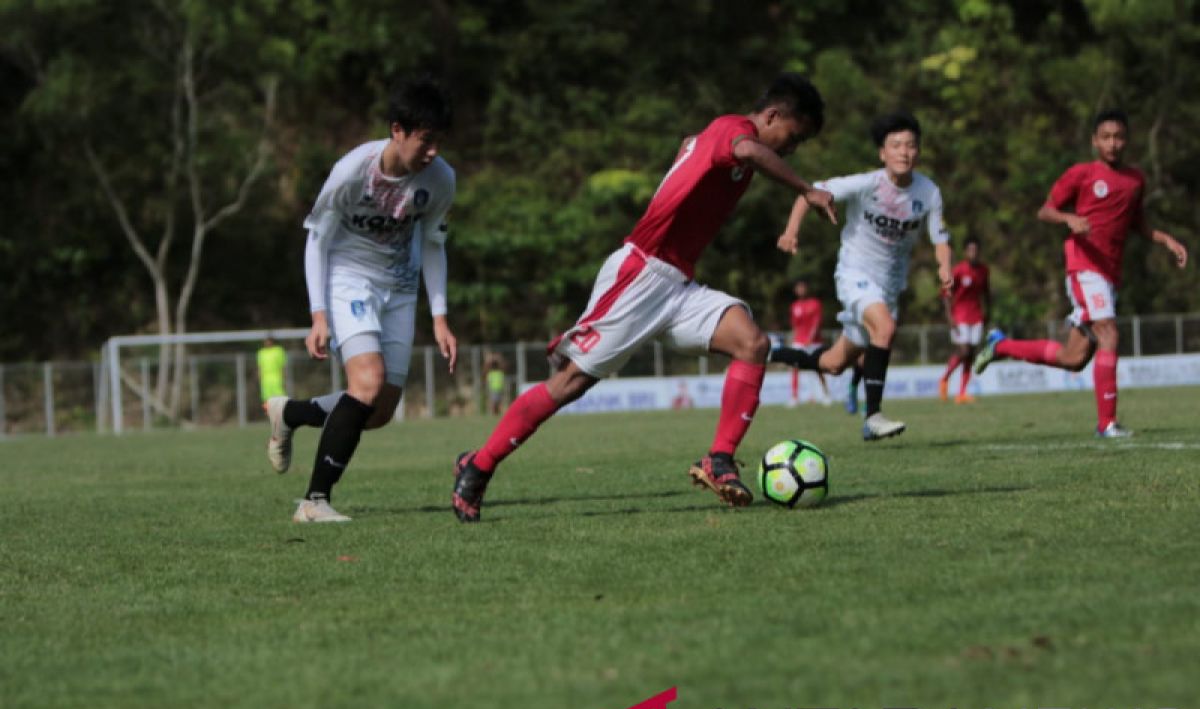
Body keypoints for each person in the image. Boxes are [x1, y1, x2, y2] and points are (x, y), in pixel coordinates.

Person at [451, 73, 837, 522]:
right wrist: (806, 189)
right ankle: (477, 467)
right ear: (772, 116)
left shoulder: (715, 138)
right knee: (571, 384)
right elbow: (746, 149)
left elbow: (691, 148)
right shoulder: (736, 131)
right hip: (640, 274)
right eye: (793, 136)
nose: (791, 148)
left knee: (753, 343)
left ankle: (719, 459)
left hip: (677, 284)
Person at [265, 77, 459, 522]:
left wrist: (441, 317)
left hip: (401, 289)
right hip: (348, 281)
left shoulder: (441, 180)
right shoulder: (353, 170)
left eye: (438, 142)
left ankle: (290, 413)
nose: (432, 152)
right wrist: (318, 314)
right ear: (398, 130)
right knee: (367, 383)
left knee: (379, 410)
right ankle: (314, 502)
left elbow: (433, 244)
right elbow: (317, 239)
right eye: (425, 140)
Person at [974, 109, 1188, 437]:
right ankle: (1107, 424)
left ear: (1127, 140)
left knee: (1072, 358)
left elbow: (1138, 225)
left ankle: (1000, 346)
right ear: (1094, 141)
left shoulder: (1135, 180)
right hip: (1083, 265)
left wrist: (1166, 240)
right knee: (1109, 334)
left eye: (1119, 137)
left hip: (1109, 273)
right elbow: (1045, 211)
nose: (1113, 143)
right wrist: (1068, 219)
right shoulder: (1081, 174)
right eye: (1106, 137)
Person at [771, 111, 953, 440]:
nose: (904, 152)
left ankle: (769, 352)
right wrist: (791, 230)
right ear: (882, 153)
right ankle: (873, 416)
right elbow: (810, 192)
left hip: (889, 287)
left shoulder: (929, 193)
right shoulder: (866, 184)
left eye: (911, 145)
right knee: (885, 328)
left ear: (918, 152)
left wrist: (944, 266)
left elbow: (941, 238)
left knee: (833, 363)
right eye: (896, 145)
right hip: (855, 273)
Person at [938, 235, 990, 403]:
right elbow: (946, 293)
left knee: (970, 355)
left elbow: (986, 293)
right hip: (960, 316)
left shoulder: (983, 270)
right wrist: (949, 316)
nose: (973, 253)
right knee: (963, 351)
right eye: (970, 250)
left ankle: (961, 393)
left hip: (976, 317)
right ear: (966, 252)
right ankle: (944, 378)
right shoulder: (959, 270)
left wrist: (987, 312)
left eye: (976, 250)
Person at [785, 280, 831, 406]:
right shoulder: (794, 306)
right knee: (794, 366)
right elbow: (795, 326)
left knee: (818, 368)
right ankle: (794, 397)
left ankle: (825, 395)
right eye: (798, 288)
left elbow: (816, 323)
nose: (801, 290)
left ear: (807, 289)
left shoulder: (815, 304)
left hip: (814, 342)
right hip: (799, 341)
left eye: (803, 288)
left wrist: (810, 339)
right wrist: (795, 340)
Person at [256, 336, 287, 404]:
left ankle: (280, 413)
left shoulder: (278, 351)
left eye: (268, 341)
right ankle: (269, 414)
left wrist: (284, 378)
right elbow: (259, 367)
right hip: (265, 380)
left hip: (277, 378)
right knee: (267, 400)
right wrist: (259, 377)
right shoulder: (261, 353)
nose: (267, 343)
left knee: (280, 399)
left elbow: (282, 366)